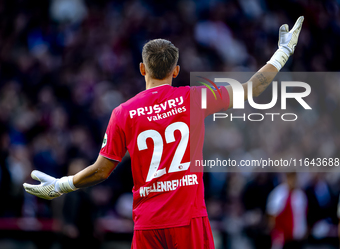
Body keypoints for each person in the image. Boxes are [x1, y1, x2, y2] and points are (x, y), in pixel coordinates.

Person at [23, 16, 304, 249]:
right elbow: (253, 88)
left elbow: (101, 171)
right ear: (176, 70)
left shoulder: (123, 113)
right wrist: (283, 53)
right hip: (189, 221)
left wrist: (62, 185)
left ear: (142, 68)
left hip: (148, 225)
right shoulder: (195, 98)